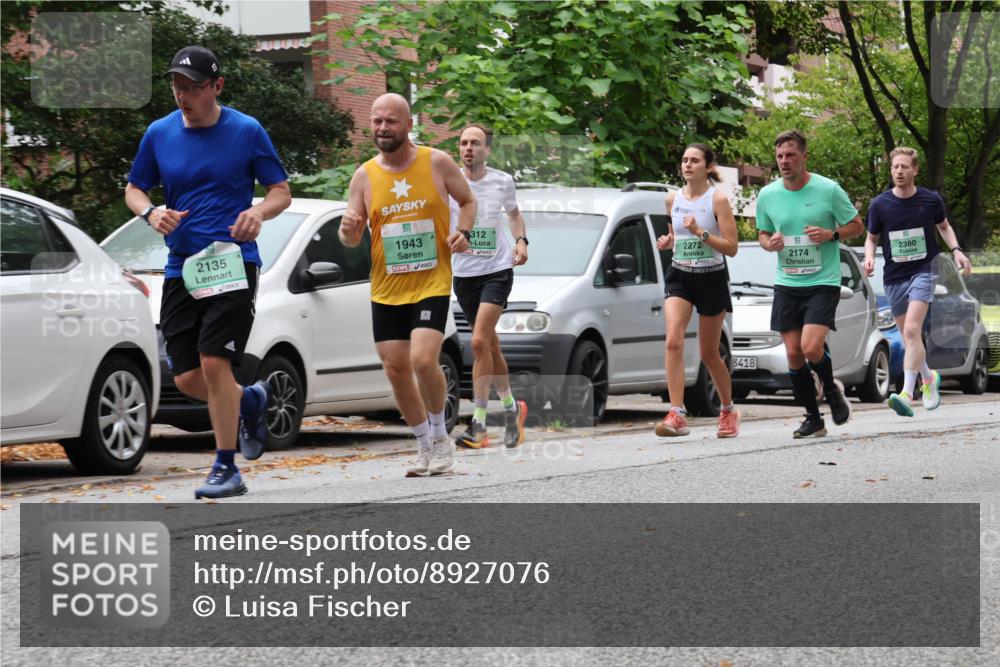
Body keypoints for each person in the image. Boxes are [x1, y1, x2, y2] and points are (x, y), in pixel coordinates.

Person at [125, 46, 291, 498]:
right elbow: (135, 189)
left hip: (234, 261)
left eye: (194, 87)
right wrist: (151, 213)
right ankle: (251, 398)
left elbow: (281, 191)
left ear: (216, 87)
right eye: (178, 86)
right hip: (183, 266)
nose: (184, 96)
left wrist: (260, 213)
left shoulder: (245, 130)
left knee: (216, 362)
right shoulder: (159, 133)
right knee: (185, 377)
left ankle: (226, 467)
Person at [339, 93, 476, 477]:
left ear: (409, 124)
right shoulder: (364, 175)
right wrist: (348, 230)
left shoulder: (437, 162)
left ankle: (440, 435)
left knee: (421, 359)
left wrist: (463, 231)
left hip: (431, 279)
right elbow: (351, 235)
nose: (383, 128)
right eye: (377, 121)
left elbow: (467, 201)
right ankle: (423, 444)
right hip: (386, 286)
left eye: (391, 122)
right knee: (395, 367)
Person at [755, 129, 864, 438]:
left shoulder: (828, 190)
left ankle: (831, 391)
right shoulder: (768, 195)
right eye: (779, 157)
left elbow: (857, 224)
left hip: (822, 280)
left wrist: (831, 235)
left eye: (790, 155)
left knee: (810, 345)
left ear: (804, 157)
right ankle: (813, 418)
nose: (784, 162)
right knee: (793, 353)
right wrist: (770, 243)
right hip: (787, 282)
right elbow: (762, 234)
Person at [863, 146, 972, 417]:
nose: (899, 171)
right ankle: (928, 378)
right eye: (895, 167)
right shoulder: (880, 204)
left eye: (904, 167)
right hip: (894, 276)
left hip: (924, 270)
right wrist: (868, 258)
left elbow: (944, 226)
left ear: (915, 170)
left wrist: (956, 250)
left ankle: (906, 393)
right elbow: (871, 238)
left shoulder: (930, 200)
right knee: (909, 336)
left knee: (912, 329)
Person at [450, 124, 529, 449]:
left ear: (488, 150)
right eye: (464, 143)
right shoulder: (449, 181)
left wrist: (521, 241)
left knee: (480, 341)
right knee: (491, 346)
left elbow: (513, 214)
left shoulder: (502, 181)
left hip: (497, 270)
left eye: (476, 143)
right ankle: (514, 409)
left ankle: (478, 423)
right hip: (464, 274)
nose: (469, 148)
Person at [654, 144, 741, 438]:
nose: (687, 165)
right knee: (673, 340)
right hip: (680, 275)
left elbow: (732, 247)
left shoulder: (717, 200)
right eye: (684, 160)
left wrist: (700, 233)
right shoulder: (672, 199)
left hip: (711, 277)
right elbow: (676, 231)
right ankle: (677, 413)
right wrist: (669, 240)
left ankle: (728, 410)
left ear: (707, 166)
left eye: (694, 161)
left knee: (708, 353)